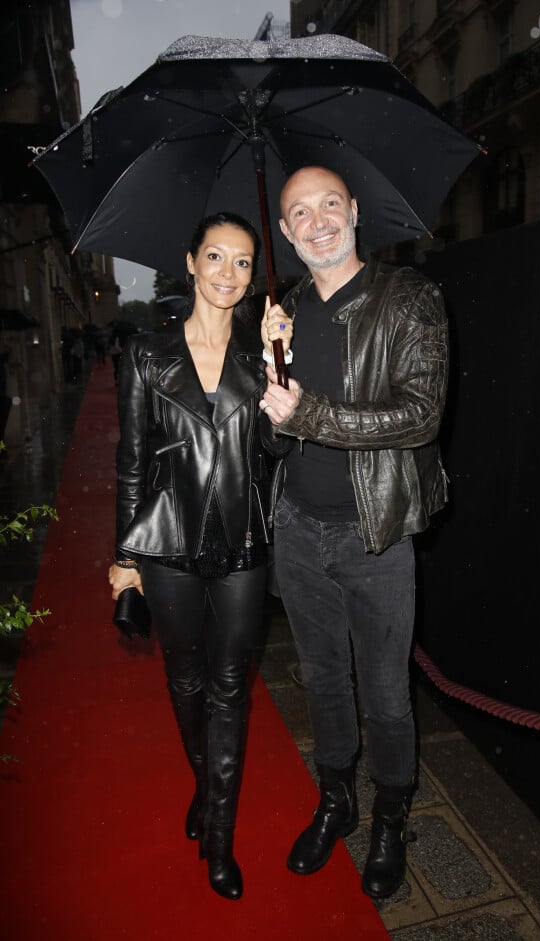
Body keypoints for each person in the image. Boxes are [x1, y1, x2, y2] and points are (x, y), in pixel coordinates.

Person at [259, 166, 449, 899]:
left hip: (376, 533)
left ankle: (391, 814)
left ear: (355, 212)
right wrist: (267, 380)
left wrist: (311, 415)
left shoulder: (410, 298)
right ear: (283, 230)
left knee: (387, 692)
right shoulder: (285, 309)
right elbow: (274, 442)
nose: (315, 222)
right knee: (325, 682)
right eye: (297, 212)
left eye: (327, 205)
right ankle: (336, 798)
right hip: (298, 531)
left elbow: (420, 414)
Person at [108, 211, 293, 901]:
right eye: (215, 257)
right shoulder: (147, 354)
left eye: (243, 262)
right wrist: (125, 555)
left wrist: (283, 367)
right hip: (170, 543)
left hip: (244, 541)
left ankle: (219, 835)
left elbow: (277, 452)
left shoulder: (261, 349)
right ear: (189, 263)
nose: (228, 273)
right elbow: (130, 463)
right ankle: (207, 787)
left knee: (228, 689)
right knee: (185, 683)